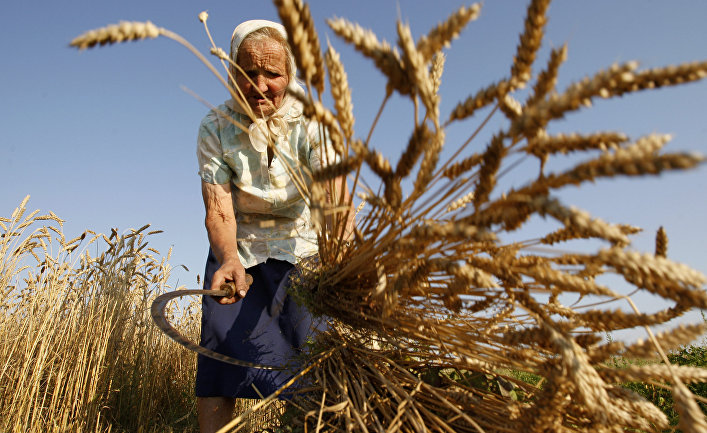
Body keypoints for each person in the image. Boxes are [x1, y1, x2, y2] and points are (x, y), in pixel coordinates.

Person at [195, 20, 352, 432]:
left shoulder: (313, 124)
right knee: (219, 355)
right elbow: (219, 210)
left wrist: (341, 266)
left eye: (272, 73)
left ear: (289, 76)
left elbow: (333, 204)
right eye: (247, 72)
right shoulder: (215, 127)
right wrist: (228, 258)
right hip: (240, 248)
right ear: (232, 73)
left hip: (303, 249)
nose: (259, 84)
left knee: (315, 364)